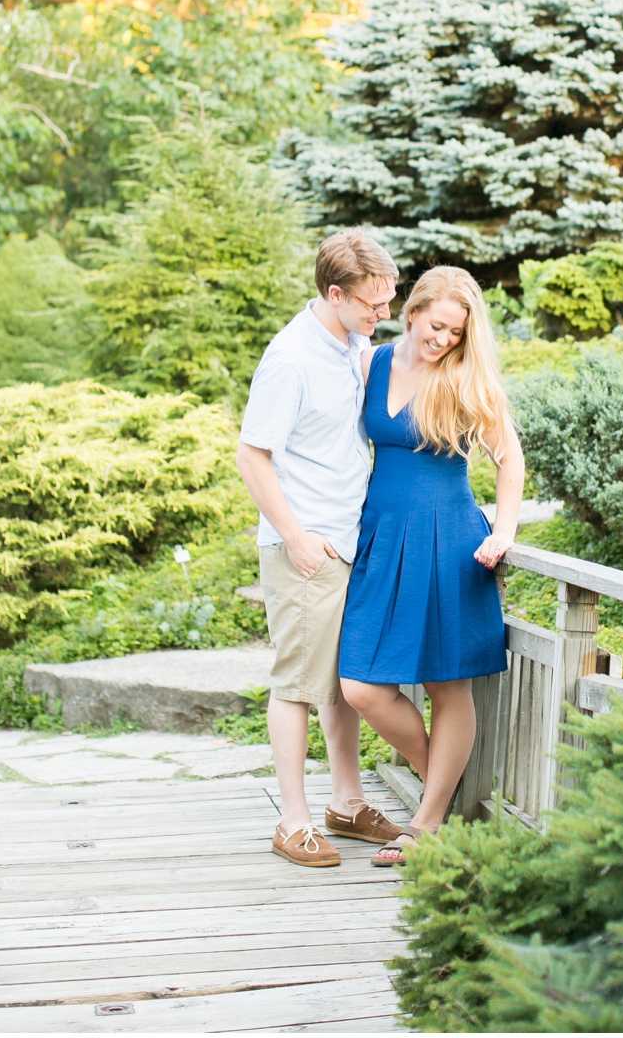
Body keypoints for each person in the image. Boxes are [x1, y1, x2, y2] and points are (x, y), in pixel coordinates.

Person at [338, 264, 521, 866]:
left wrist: (505, 529)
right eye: (436, 325)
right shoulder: (372, 362)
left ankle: (428, 821)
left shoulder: (466, 379)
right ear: (412, 311)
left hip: (449, 540)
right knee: (361, 684)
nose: (442, 339)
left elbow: (508, 458)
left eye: (455, 333)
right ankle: (445, 782)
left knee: (448, 683)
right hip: (381, 538)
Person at [237, 230, 407, 869]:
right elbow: (252, 456)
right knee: (298, 684)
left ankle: (346, 802)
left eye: (388, 301)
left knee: (341, 681)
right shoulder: (290, 359)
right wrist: (297, 536)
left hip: (350, 537)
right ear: (335, 294)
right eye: (372, 304)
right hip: (306, 544)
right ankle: (295, 821)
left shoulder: (352, 339)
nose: (381, 314)